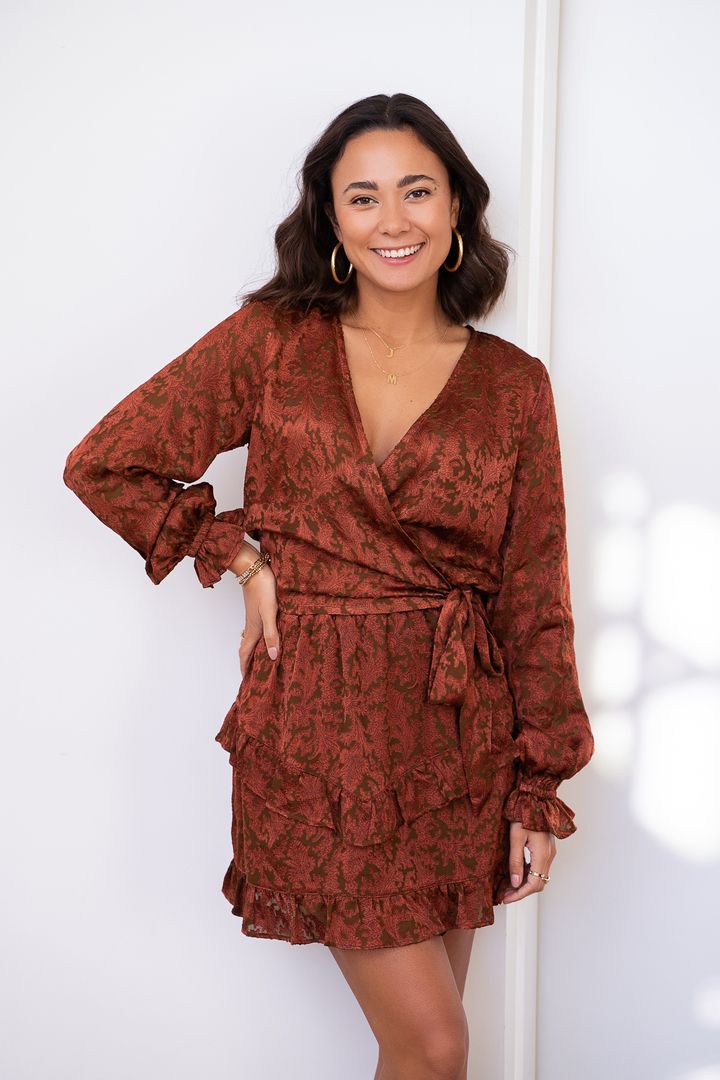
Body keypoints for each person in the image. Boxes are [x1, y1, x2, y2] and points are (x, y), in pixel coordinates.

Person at [63, 92, 594, 1080]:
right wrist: (243, 558)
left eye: (417, 191)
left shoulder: (514, 385)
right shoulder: (273, 342)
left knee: (427, 1050)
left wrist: (538, 783)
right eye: (364, 196)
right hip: (317, 726)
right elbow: (107, 463)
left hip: (456, 733)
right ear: (332, 219)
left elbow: (534, 593)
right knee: (434, 1044)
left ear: (457, 208)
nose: (394, 219)